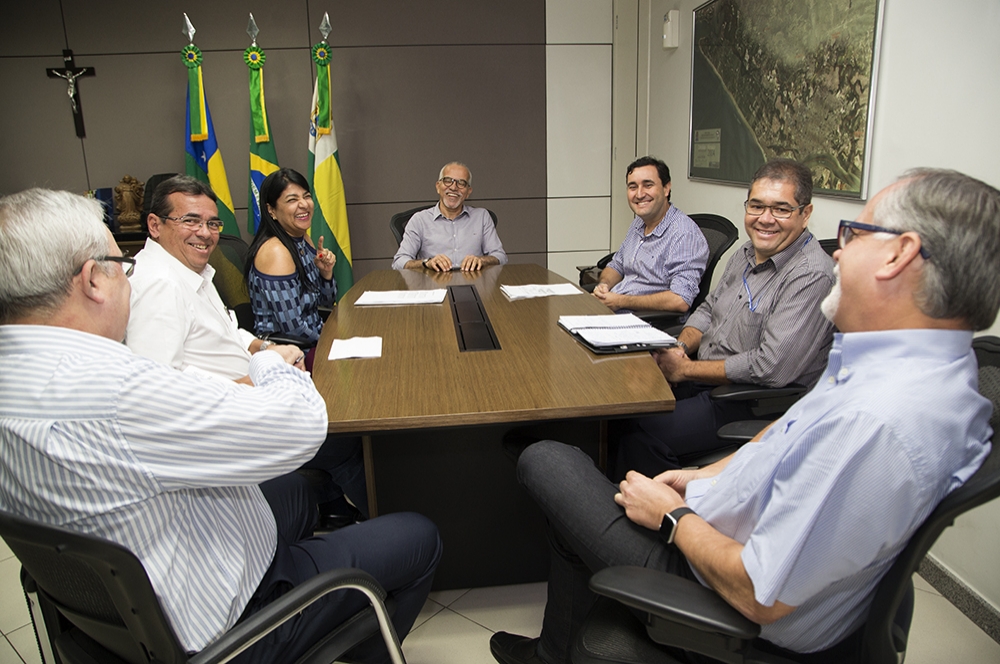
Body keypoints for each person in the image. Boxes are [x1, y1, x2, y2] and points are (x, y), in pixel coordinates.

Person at [490, 167, 1000, 664]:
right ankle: (555, 650)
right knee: (577, 495)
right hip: (716, 521)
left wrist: (672, 517)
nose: (840, 252)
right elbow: (787, 432)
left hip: (721, 592)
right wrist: (701, 478)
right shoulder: (907, 369)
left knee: (545, 457)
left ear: (899, 255)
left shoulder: (876, 420)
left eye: (856, 234)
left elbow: (759, 592)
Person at [0, 188, 442, 664]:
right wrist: (270, 363)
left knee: (296, 494)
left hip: (126, 607)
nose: (131, 279)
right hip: (227, 623)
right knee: (419, 536)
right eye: (122, 266)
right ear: (93, 280)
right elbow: (302, 426)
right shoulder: (117, 388)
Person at [126, 175, 366, 522]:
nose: (205, 233)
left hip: (253, 390)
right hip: (227, 421)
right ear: (155, 224)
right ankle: (387, 514)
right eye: (190, 221)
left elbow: (228, 330)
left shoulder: (188, 269)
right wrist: (256, 381)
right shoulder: (158, 285)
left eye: (212, 223)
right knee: (343, 437)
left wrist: (266, 348)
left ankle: (331, 510)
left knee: (340, 416)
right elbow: (160, 390)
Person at [608, 159, 835, 479]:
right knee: (620, 405)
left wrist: (685, 370)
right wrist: (679, 349)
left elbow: (771, 367)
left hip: (751, 401)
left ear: (805, 213)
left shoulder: (810, 275)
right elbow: (707, 309)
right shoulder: (746, 253)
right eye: (756, 206)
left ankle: (664, 506)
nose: (765, 219)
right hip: (704, 376)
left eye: (781, 209)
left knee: (640, 431)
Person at [592, 156, 708, 314]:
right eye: (633, 187)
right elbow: (617, 265)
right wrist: (604, 285)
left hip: (645, 320)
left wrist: (619, 301)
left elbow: (680, 299)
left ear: (666, 188)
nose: (639, 194)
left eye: (648, 185)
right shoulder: (638, 223)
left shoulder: (684, 234)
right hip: (614, 309)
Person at [246, 168, 336, 347]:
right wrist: (331, 343)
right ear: (271, 210)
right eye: (292, 200)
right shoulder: (276, 252)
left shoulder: (303, 239)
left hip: (313, 338)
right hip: (288, 350)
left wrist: (326, 274)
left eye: (306, 196)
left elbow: (325, 303)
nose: (304, 204)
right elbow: (293, 329)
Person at [392, 162, 507, 271]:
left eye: (461, 183)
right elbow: (399, 262)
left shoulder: (482, 217)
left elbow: (501, 257)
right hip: (433, 283)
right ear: (438, 186)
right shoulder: (419, 220)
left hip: (474, 282)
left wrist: (482, 260)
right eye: (448, 181)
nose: (453, 187)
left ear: (468, 192)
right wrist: (426, 263)